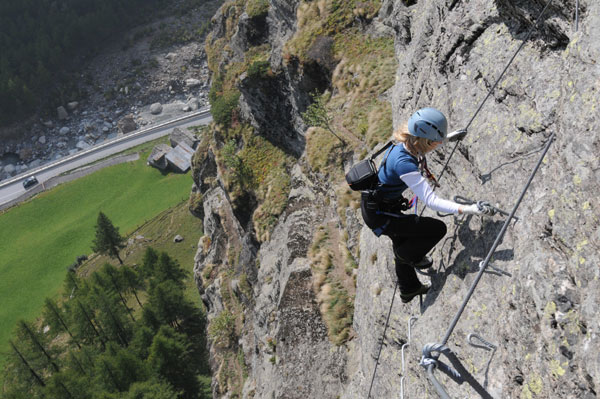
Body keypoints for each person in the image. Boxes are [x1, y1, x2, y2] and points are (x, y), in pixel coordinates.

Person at [360, 107, 493, 303]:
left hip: (381, 206)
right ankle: (407, 257)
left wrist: (448, 137)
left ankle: (409, 289)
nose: (438, 145)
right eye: (436, 142)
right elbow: (432, 201)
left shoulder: (407, 143)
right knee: (436, 229)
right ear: (425, 141)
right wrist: (470, 209)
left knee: (404, 242)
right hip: (380, 215)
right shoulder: (404, 164)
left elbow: (425, 144)